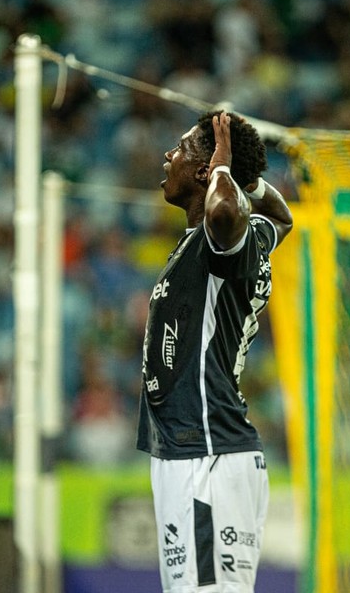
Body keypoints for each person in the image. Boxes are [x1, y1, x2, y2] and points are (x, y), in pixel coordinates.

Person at [136, 109, 293, 592]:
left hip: (207, 456)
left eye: (181, 148)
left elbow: (226, 213)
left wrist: (226, 169)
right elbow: (282, 217)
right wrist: (245, 178)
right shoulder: (229, 240)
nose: (169, 155)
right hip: (188, 452)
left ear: (206, 171)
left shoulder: (225, 241)